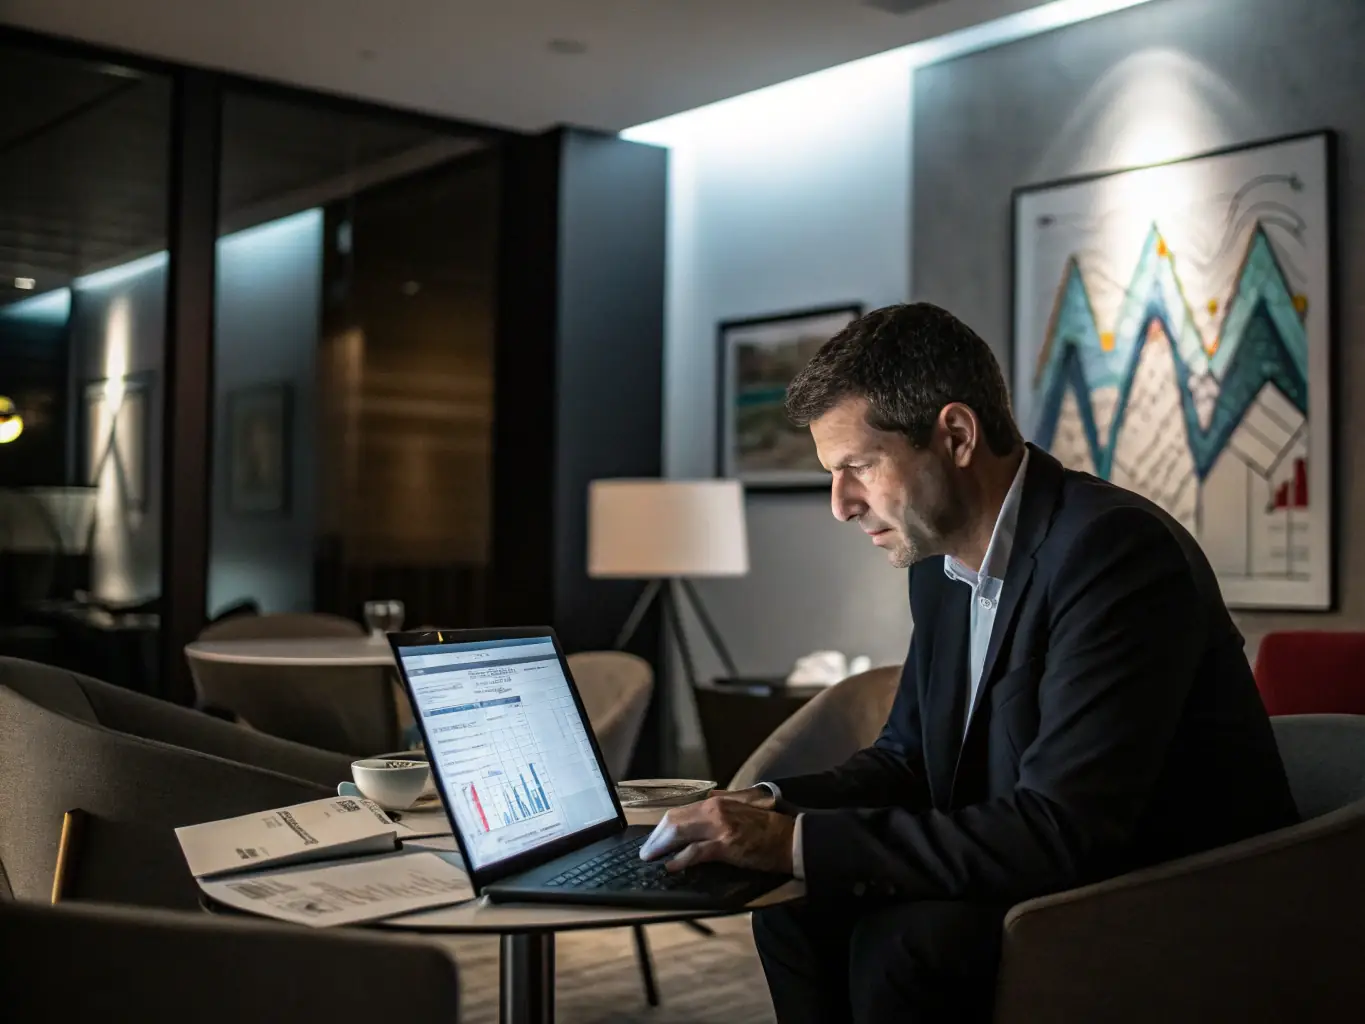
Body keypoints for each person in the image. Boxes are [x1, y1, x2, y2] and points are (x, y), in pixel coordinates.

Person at [639, 303, 1299, 1023]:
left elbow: (1061, 826)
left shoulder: (1112, 554)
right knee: (793, 913)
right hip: (1050, 864)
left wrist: (796, 843)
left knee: (908, 942)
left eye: (857, 466)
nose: (839, 504)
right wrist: (766, 808)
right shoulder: (939, 567)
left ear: (954, 435)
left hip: (1172, 897)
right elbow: (906, 762)